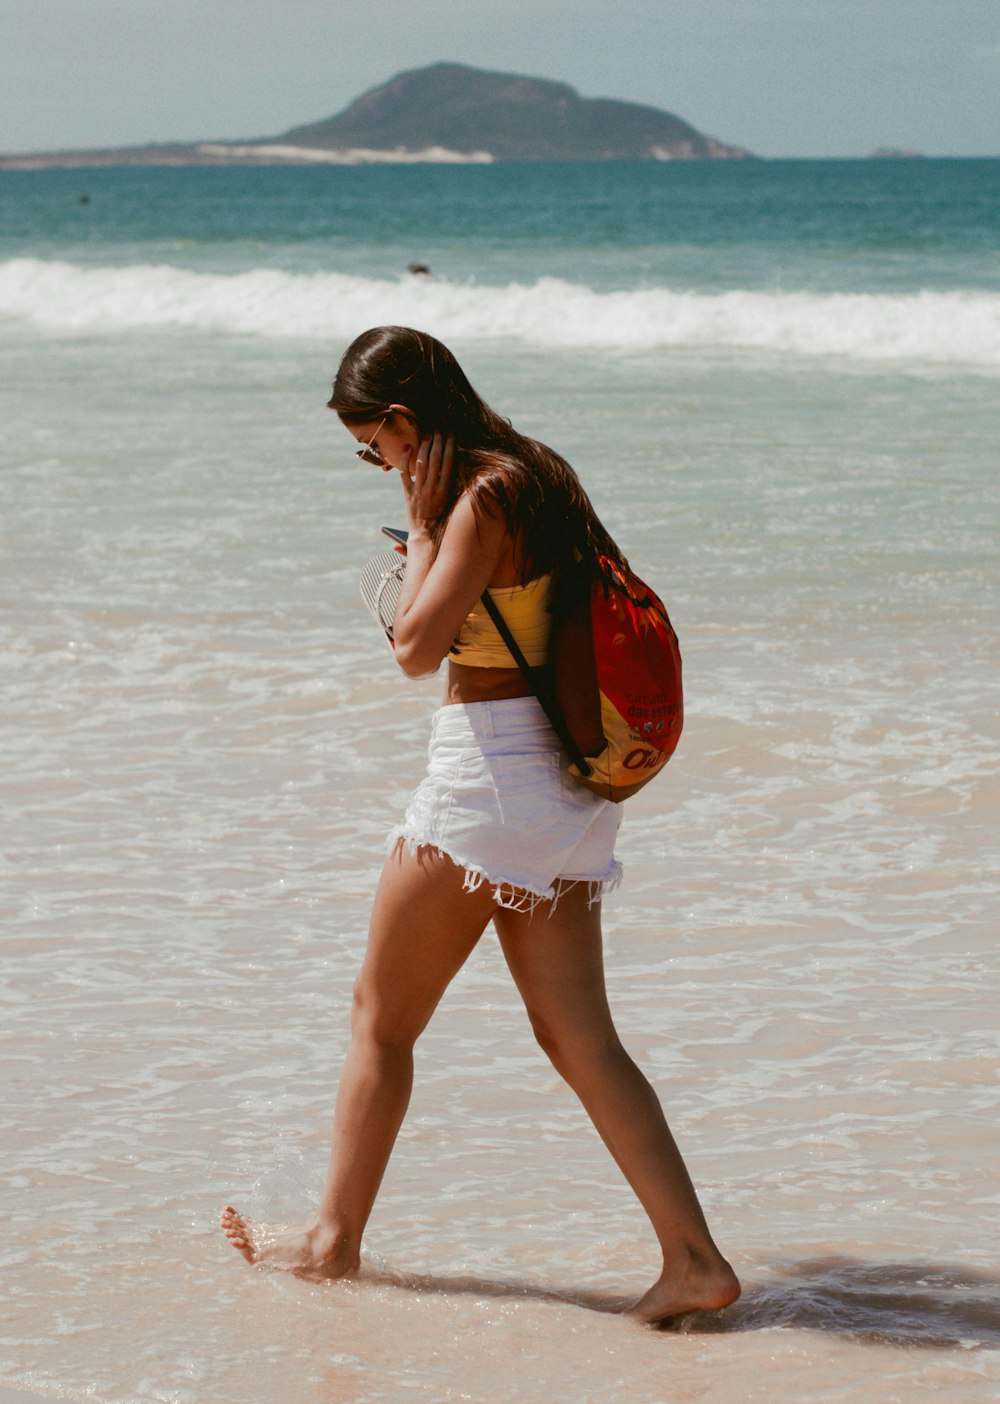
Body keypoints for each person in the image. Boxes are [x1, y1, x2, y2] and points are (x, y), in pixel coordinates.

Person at [221, 326, 740, 1325]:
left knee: (381, 1014)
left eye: (372, 445)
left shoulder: (475, 496)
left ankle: (332, 1245)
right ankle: (692, 1260)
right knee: (581, 1039)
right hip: (565, 793)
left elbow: (416, 647)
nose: (375, 464)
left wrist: (419, 529)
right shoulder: (536, 472)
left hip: (489, 784)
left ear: (405, 421)